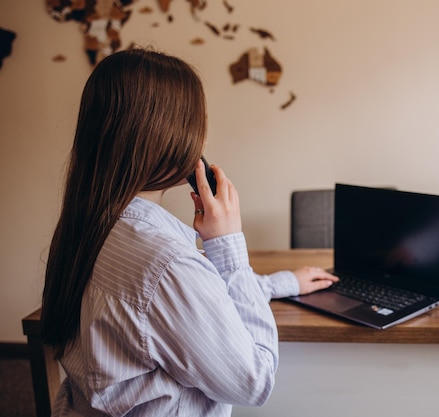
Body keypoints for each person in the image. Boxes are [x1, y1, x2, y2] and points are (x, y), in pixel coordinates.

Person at [40, 47, 337, 417]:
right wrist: (228, 246)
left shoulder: (86, 227)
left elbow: (187, 304)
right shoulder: (166, 264)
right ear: (169, 137)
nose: (203, 138)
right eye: (199, 124)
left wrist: (280, 283)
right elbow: (255, 380)